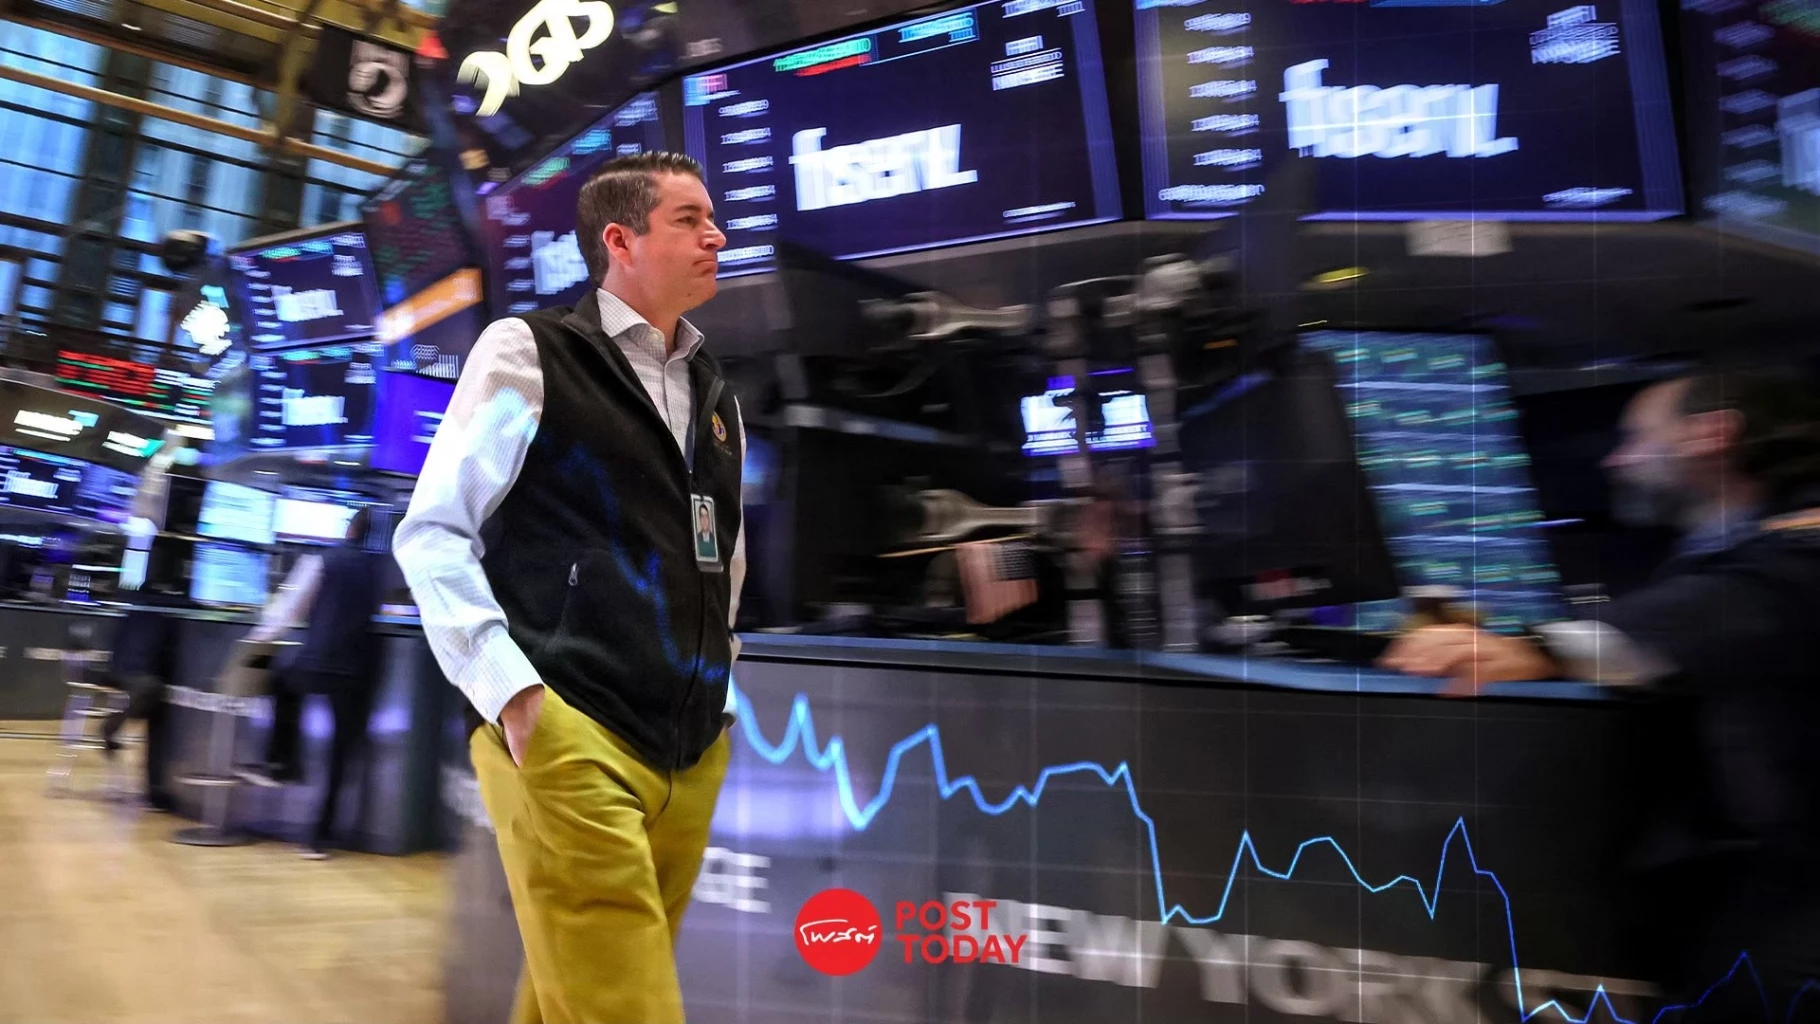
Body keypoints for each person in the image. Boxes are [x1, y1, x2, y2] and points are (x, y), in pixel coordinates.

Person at [393, 151, 745, 1024]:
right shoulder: (530, 352)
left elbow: (720, 554)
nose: (717, 235)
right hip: (570, 728)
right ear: (620, 241)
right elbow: (434, 531)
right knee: (625, 1006)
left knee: (577, 996)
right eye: (690, 220)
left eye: (712, 218)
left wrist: (723, 681)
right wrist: (513, 696)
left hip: (690, 745)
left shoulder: (714, 391)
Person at [1380, 366, 1820, 1016]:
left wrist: (1539, 649)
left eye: (1636, 438)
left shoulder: (1800, 544)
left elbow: (1733, 609)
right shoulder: (1726, 548)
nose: (1616, 460)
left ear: (1711, 434)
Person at [241, 508, 387, 859]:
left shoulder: (322, 560)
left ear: (348, 529)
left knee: (280, 681)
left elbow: (289, 611)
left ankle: (283, 761)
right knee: (340, 754)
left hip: (318, 661)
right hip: (357, 670)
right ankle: (319, 839)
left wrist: (259, 638)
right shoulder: (377, 569)